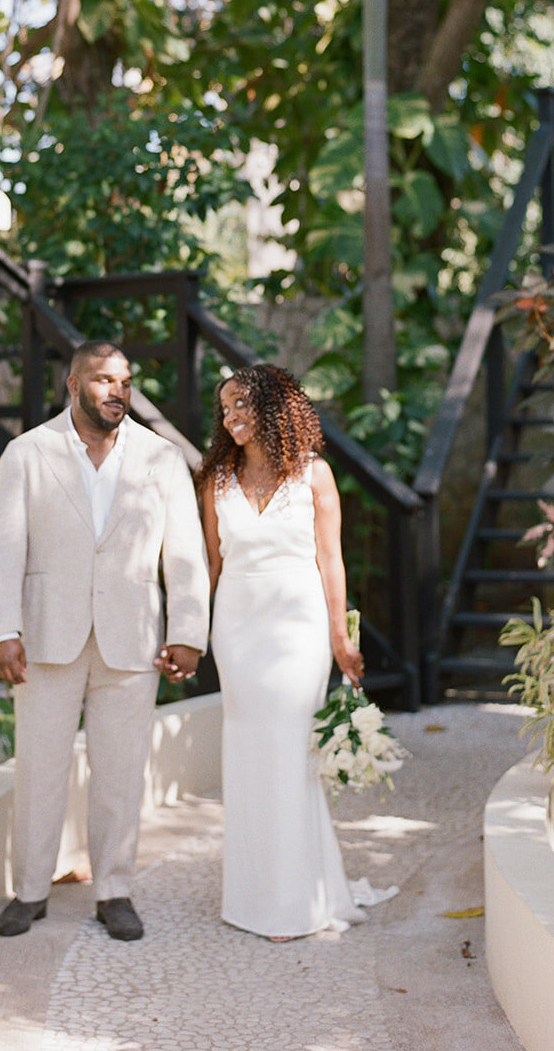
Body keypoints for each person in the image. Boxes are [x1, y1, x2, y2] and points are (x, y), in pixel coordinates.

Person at [0, 340, 209, 942]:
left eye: (125, 382)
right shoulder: (27, 453)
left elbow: (185, 553)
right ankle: (30, 891)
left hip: (132, 639)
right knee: (39, 768)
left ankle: (114, 891)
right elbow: (2, 550)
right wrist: (3, 630)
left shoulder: (161, 458)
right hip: (46, 636)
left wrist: (188, 632)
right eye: (105, 380)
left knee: (121, 773)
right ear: (74, 384)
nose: (118, 392)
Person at [197, 362, 398, 940]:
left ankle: (294, 903)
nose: (231, 417)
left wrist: (342, 639)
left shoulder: (314, 475)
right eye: (225, 408)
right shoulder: (216, 480)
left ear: (273, 407)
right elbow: (211, 564)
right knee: (247, 753)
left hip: (299, 628)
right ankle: (251, 897)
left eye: (241, 404)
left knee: (289, 752)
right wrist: (189, 632)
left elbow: (330, 560)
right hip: (236, 630)